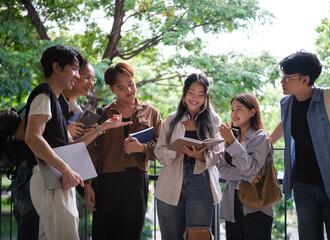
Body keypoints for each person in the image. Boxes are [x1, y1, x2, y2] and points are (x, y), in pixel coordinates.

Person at [24, 45, 131, 240]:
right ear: (56, 67)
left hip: (56, 177)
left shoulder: (56, 100)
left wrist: (102, 128)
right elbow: (32, 137)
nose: (77, 75)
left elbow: (71, 145)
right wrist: (65, 169)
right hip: (51, 176)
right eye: (74, 68)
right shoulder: (44, 94)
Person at [275, 50, 330, 240]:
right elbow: (284, 124)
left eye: (288, 78)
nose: (282, 81)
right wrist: (262, 143)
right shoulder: (286, 104)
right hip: (303, 187)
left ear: (305, 79)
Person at [84, 62, 162, 240]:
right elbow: (86, 150)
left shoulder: (152, 113)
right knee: (103, 235)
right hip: (106, 182)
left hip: (137, 180)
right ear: (112, 89)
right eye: (121, 87)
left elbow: (162, 149)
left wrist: (141, 148)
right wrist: (88, 185)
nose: (129, 89)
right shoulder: (99, 113)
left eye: (131, 83)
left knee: (131, 234)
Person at [154, 73, 222, 240]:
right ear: (184, 92)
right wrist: (176, 149)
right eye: (191, 93)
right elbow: (159, 152)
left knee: (199, 235)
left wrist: (200, 156)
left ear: (206, 97)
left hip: (202, 181)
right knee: (170, 235)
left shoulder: (213, 120)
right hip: (170, 181)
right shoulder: (171, 119)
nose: (195, 98)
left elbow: (217, 154)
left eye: (200, 95)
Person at [218, 93, 273, 240]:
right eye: (232, 110)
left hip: (257, 204)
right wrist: (249, 176)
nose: (234, 114)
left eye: (238, 109)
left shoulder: (261, 136)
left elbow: (252, 167)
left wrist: (231, 141)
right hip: (232, 202)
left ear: (252, 112)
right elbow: (222, 170)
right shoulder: (233, 137)